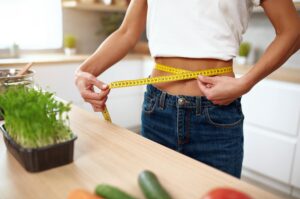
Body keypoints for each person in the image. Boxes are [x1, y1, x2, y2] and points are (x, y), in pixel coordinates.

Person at [75, 0, 300, 178]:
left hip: (215, 115)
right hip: (157, 111)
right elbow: (126, 33)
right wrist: (85, 71)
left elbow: (292, 31)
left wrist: (245, 82)